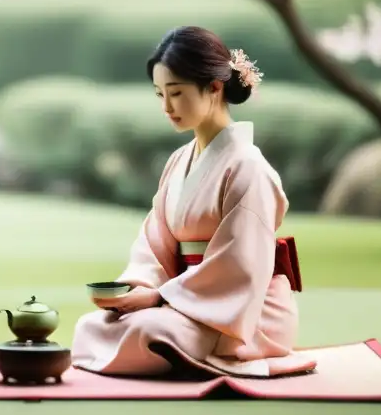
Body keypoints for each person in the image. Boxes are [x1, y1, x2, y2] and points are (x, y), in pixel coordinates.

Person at [70, 27, 316, 379]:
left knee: (148, 331)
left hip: (242, 313)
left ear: (214, 88)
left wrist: (159, 299)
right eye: (160, 95)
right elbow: (155, 243)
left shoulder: (248, 166)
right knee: (94, 324)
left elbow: (239, 265)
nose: (167, 107)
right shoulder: (179, 160)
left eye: (177, 93)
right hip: (188, 300)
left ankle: (177, 343)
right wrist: (138, 289)